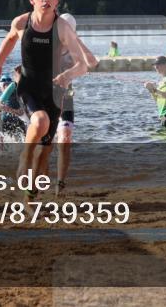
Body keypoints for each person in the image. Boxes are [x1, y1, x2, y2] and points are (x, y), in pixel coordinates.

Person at [0, 0, 89, 197]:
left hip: (54, 93)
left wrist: (67, 75)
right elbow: (10, 39)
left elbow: (83, 65)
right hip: (28, 87)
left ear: (57, 0)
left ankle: (29, 197)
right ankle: (24, 156)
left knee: (44, 154)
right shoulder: (21, 22)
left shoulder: (62, 27)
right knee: (40, 121)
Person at [55, 13, 99, 196]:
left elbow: (93, 63)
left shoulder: (74, 48)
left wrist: (77, 40)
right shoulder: (49, 44)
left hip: (66, 98)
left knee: (65, 137)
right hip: (43, 97)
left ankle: (60, 183)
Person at [0, 70, 28, 137]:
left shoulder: (16, 94)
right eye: (4, 85)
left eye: (7, 85)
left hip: (18, 119)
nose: (6, 87)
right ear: (1, 86)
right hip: (7, 120)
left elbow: (22, 112)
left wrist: (7, 109)